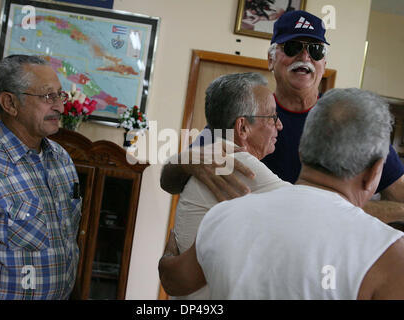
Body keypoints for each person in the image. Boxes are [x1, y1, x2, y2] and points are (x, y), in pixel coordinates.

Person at [160, 10, 404, 222]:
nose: (305, 57)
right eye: (293, 47)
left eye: (315, 50)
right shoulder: (245, 113)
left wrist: (342, 207)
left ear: (324, 63)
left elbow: (400, 199)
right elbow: (170, 181)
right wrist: (186, 161)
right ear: (270, 59)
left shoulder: (351, 120)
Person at [159, 88, 404, 299]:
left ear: (302, 151)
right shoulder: (389, 256)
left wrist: (170, 251)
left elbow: (174, 280)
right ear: (374, 173)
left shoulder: (222, 216)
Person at [0, 55, 81, 300]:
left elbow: (68, 244)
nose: (59, 106)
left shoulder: (62, 160)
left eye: (60, 95)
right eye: (47, 96)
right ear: (10, 103)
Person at [173, 72, 289, 299]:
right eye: (272, 117)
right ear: (243, 128)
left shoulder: (215, 156)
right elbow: (314, 209)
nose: (280, 125)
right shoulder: (236, 162)